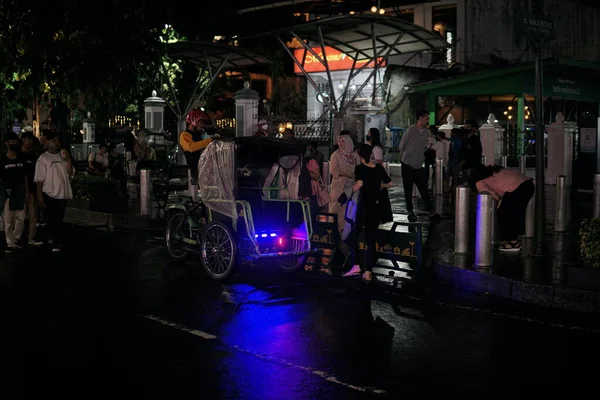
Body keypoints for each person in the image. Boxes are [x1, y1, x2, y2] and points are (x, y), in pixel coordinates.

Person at [343, 144, 393, 281]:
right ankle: (368, 272)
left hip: (363, 207)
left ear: (360, 155)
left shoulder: (359, 168)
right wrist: (379, 186)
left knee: (352, 236)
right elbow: (390, 184)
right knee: (370, 240)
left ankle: (357, 265)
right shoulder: (379, 168)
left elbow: (358, 184)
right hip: (376, 208)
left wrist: (346, 194)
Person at [473, 164, 534, 252]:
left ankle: (511, 242)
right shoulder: (495, 172)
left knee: (504, 214)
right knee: (517, 212)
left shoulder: (479, 182)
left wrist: (497, 204)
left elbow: (490, 194)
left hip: (518, 188)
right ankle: (516, 239)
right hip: (529, 184)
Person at [34, 132, 74, 253]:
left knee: (59, 218)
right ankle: (52, 240)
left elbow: (70, 173)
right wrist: (39, 195)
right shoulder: (43, 158)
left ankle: (56, 239)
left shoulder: (62, 156)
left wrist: (68, 159)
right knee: (51, 219)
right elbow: (39, 179)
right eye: (54, 140)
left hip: (62, 193)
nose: (56, 143)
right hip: (49, 193)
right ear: (48, 142)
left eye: (58, 141)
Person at [397, 109, 437, 222]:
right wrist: (403, 159)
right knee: (408, 190)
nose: (428, 120)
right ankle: (410, 212)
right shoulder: (411, 130)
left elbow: (424, 146)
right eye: (426, 118)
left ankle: (431, 212)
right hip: (407, 164)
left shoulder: (426, 132)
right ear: (420, 118)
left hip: (419, 165)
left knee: (424, 189)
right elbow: (402, 145)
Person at [1, 132, 28, 252]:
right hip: (7, 192)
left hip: (20, 191)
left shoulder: (21, 157)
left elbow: (25, 175)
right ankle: (10, 243)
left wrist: (26, 191)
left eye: (16, 141)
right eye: (12, 141)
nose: (14, 143)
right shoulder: (2, 158)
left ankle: (16, 238)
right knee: (8, 219)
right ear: (7, 143)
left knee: (21, 217)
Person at [329, 131, 359, 234]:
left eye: (343, 141)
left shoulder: (354, 156)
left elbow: (358, 168)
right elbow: (333, 170)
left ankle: (347, 230)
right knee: (338, 205)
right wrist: (346, 174)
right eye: (339, 141)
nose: (341, 144)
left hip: (352, 185)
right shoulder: (335, 155)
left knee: (349, 207)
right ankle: (335, 229)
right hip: (339, 185)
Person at [20, 131, 43, 246]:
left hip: (32, 188)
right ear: (23, 140)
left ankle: (31, 238)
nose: (30, 142)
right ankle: (17, 238)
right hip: (22, 189)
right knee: (21, 215)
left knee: (33, 214)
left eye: (31, 140)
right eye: (28, 139)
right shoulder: (19, 155)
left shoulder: (33, 155)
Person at [179, 109, 214, 183]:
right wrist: (209, 140)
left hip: (204, 169)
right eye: (200, 122)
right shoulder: (185, 135)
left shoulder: (200, 134)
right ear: (193, 121)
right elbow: (191, 147)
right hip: (194, 171)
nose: (202, 125)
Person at [459, 119, 483, 185]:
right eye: (465, 127)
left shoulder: (475, 139)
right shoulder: (464, 139)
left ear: (473, 128)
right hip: (464, 165)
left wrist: (466, 160)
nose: (466, 129)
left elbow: (476, 153)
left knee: (470, 182)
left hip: (471, 165)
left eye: (468, 127)